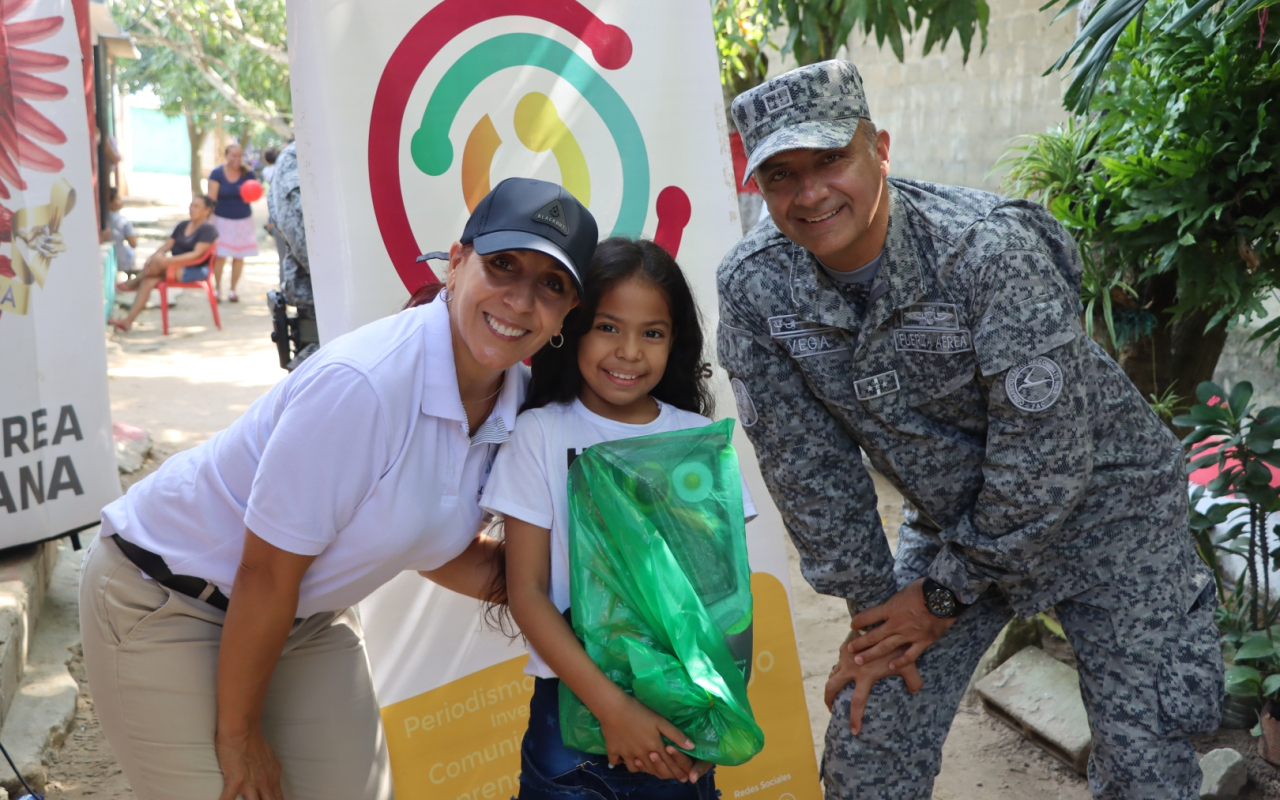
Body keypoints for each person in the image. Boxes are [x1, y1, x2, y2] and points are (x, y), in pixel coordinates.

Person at [716, 61, 1222, 800]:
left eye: (830, 159)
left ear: (878, 148)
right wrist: (874, 619)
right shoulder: (757, 286)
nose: (810, 193)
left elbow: (1045, 463)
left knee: (1148, 763)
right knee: (871, 737)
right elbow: (808, 470)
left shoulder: (986, 249)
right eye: (781, 175)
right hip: (957, 526)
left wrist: (937, 599)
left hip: (1109, 516)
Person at [81, 178, 598, 800]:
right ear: (457, 263)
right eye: (502, 265)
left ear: (568, 312)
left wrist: (594, 601)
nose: (519, 299)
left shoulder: (516, 403)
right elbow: (267, 570)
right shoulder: (366, 386)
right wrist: (240, 735)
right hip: (167, 598)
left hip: (300, 614)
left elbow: (439, 548)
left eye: (551, 284)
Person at [482, 238, 752, 799]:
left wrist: (718, 717)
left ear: (674, 341)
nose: (629, 351)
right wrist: (614, 710)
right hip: (573, 724)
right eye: (608, 327)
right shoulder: (540, 434)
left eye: (651, 332)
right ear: (574, 328)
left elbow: (729, 599)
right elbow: (527, 591)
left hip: (684, 715)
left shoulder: (694, 440)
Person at [109, 195, 218, 333]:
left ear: (207, 210)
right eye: (191, 205)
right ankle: (128, 321)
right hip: (174, 267)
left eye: (197, 206)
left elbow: (196, 255)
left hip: (195, 269)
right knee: (149, 281)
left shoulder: (208, 229)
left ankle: (133, 282)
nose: (192, 209)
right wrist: (155, 256)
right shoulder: (182, 225)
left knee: (156, 266)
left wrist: (167, 261)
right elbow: (167, 245)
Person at [207, 143, 259, 303]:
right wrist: (209, 220)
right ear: (226, 156)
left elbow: (253, 194)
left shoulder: (248, 174)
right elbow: (211, 199)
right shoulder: (217, 174)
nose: (236, 159)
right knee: (220, 256)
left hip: (243, 221)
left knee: (239, 256)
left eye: (239, 155)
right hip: (221, 220)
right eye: (233, 155)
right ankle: (217, 289)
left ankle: (233, 290)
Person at [99, 187, 137, 275]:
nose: (121, 201)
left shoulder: (100, 219)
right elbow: (133, 244)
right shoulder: (123, 221)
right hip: (122, 261)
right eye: (117, 198)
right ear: (109, 202)